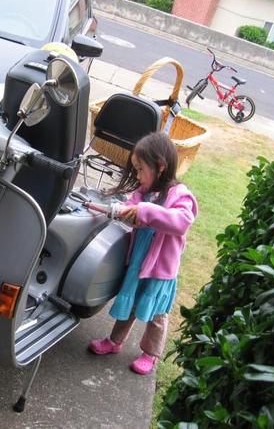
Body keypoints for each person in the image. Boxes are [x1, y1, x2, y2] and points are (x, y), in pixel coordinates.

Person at [88, 131, 198, 375]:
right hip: (139, 262)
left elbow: (181, 221)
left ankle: (151, 353)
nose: (137, 175)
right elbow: (131, 210)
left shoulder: (178, 194)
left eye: (140, 169)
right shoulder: (143, 193)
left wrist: (144, 210)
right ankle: (115, 341)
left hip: (161, 269)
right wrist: (112, 210)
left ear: (160, 166)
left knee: (157, 314)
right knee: (131, 303)